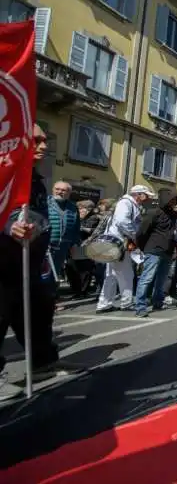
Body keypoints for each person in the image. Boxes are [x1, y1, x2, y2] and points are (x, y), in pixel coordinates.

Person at [0, 124, 80, 400]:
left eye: (45, 140)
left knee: (37, 312)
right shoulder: (4, 170)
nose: (44, 146)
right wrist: (9, 226)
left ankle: (43, 362)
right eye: (36, 140)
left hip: (30, 260)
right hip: (4, 259)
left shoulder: (34, 177)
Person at [97, 185, 154, 313]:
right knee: (127, 274)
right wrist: (134, 235)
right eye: (146, 196)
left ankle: (104, 304)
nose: (147, 199)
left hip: (113, 243)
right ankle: (126, 302)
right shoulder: (126, 203)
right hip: (120, 243)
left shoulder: (127, 203)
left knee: (111, 275)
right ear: (139, 194)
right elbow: (122, 221)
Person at [134, 189, 177, 318]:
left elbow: (172, 234)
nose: (173, 202)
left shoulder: (172, 215)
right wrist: (142, 247)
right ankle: (140, 306)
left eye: (175, 200)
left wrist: (176, 247)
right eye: (171, 200)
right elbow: (142, 232)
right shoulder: (153, 213)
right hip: (153, 250)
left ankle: (158, 302)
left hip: (167, 251)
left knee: (162, 279)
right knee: (147, 278)